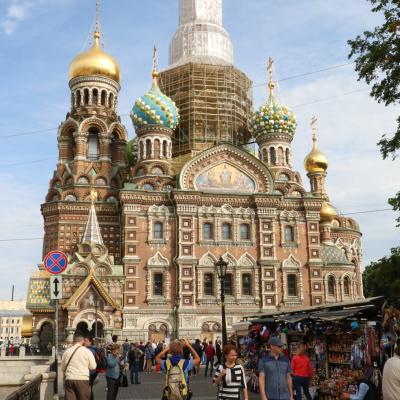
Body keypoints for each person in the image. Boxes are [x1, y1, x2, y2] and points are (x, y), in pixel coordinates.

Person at [61, 333, 96, 400]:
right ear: (82, 341)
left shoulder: (67, 351)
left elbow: (63, 367)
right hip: (82, 379)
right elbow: (93, 366)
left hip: (69, 379)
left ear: (73, 341)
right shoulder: (87, 351)